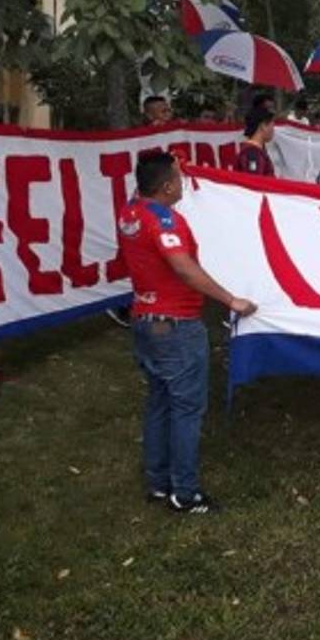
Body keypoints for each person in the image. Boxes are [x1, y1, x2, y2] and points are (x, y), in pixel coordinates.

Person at [117, 152, 258, 513]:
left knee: (160, 401)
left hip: (145, 319)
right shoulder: (164, 221)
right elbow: (183, 267)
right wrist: (231, 300)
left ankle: (158, 481)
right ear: (166, 187)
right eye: (179, 178)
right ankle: (186, 492)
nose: (183, 183)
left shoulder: (130, 211)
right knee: (186, 408)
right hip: (175, 325)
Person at [234, 107, 275, 176]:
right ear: (263, 126)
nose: (273, 130)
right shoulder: (252, 153)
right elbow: (254, 182)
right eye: (272, 126)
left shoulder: (255, 151)